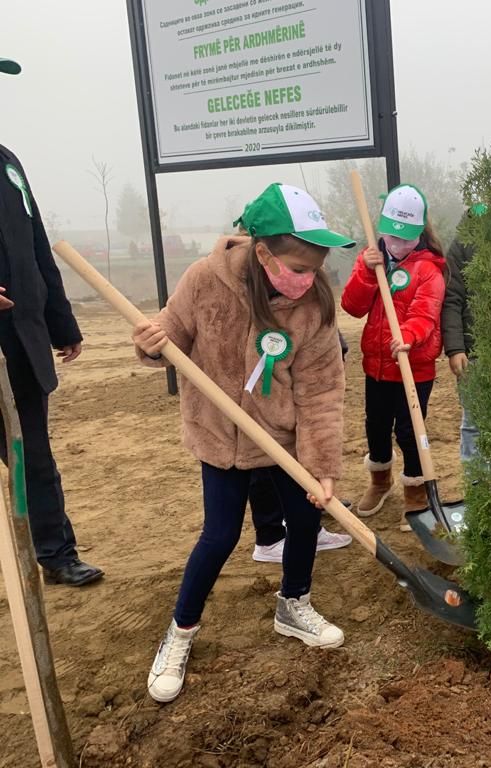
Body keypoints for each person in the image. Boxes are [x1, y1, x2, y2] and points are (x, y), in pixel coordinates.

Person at [133, 183, 352, 702]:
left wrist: (321, 467)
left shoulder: (315, 306)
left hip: (280, 437)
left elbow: (322, 392)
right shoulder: (203, 281)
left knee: (304, 519)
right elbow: (169, 333)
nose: (308, 278)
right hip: (217, 437)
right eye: (298, 266)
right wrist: (150, 344)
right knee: (221, 534)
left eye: (315, 267)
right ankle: (180, 632)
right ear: (262, 253)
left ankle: (293, 604)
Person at [0, 56, 102, 586]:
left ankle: (56, 553)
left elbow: (37, 248)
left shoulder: (7, 163)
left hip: (20, 346)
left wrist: (63, 325)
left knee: (33, 456)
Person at [341, 184, 445, 518]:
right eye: (391, 237)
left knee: (410, 429)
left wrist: (409, 337)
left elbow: (425, 314)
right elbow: (352, 306)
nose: (397, 245)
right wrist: (365, 271)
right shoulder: (373, 260)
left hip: (414, 365)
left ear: (419, 233)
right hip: (377, 365)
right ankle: (380, 480)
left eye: (405, 239)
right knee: (376, 424)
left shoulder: (429, 269)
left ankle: (416, 490)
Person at [250, 331, 352, 563]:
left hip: (299, 362)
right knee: (265, 456)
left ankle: (309, 527)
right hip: (265, 373)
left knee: (300, 448)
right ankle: (269, 537)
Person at [442, 204, 486, 464]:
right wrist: (456, 348)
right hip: (474, 352)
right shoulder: (461, 246)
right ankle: (477, 482)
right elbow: (452, 299)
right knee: (474, 421)